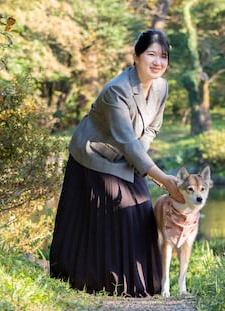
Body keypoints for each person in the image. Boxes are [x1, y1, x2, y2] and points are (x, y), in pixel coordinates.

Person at [49, 29, 184, 298]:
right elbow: (127, 141)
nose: (158, 62)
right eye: (151, 55)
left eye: (164, 56)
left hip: (129, 155)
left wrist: (138, 164)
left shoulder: (161, 87)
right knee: (122, 203)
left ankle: (143, 282)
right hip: (95, 156)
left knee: (142, 205)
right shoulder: (116, 90)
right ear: (136, 56)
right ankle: (99, 280)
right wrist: (162, 178)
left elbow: (151, 130)